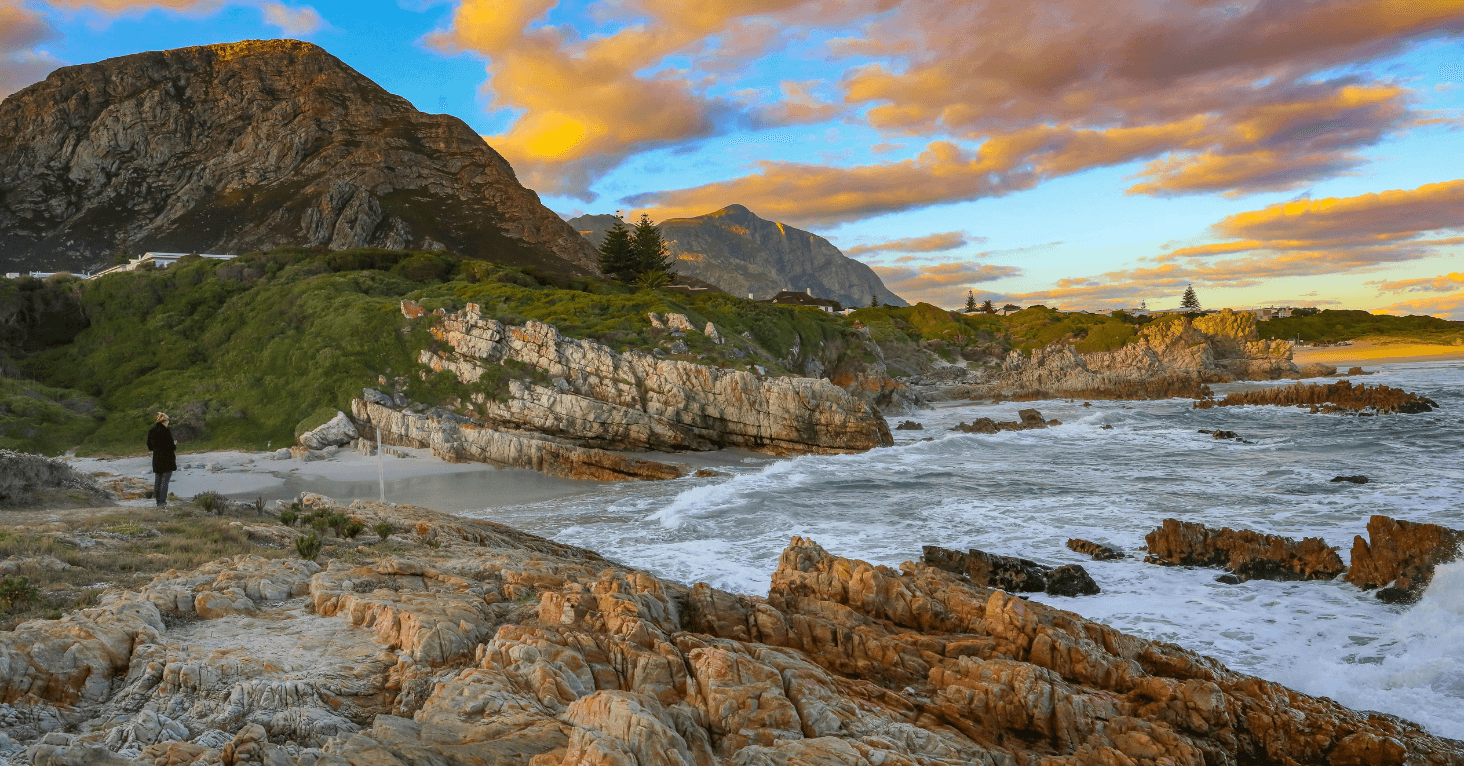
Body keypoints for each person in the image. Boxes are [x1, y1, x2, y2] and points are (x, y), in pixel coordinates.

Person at [147, 412, 177, 507]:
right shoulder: (166, 431)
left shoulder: (152, 431)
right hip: (167, 459)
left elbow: (150, 447)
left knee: (158, 481)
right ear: (164, 421)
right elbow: (171, 447)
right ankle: (163, 502)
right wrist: (174, 444)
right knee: (165, 482)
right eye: (168, 421)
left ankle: (158, 501)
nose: (168, 423)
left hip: (157, 459)